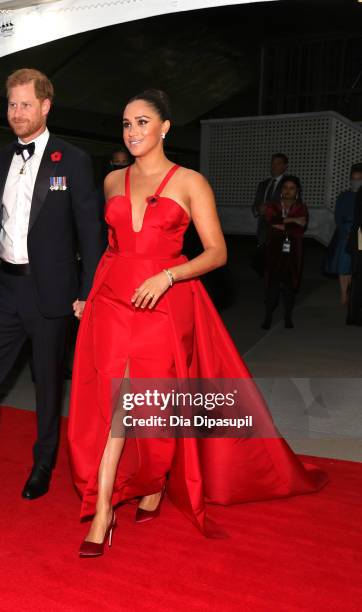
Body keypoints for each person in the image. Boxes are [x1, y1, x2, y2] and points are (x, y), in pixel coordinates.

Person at [67, 90, 327, 557]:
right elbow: (110, 247)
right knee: (113, 406)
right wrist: (90, 294)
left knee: (147, 404)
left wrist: (167, 275)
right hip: (112, 302)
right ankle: (103, 510)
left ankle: (151, 485)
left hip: (163, 305)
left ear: (165, 127)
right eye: (126, 124)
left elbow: (217, 253)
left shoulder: (190, 182)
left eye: (142, 122)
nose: (132, 132)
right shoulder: (110, 181)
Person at [0, 68, 105, 506]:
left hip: (52, 292)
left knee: (48, 384)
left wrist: (87, 291)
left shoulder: (73, 161)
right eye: (11, 104)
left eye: (26, 104)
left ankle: (43, 465)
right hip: (4, 288)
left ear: (46, 106)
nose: (17, 113)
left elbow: (91, 234)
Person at [261, 176, 308, 330]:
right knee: (272, 285)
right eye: (285, 187)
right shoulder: (272, 205)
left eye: (292, 188)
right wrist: (293, 220)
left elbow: (300, 229)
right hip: (274, 251)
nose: (288, 191)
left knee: (289, 286)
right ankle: (268, 316)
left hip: (293, 252)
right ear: (281, 190)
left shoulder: (301, 207)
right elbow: (271, 221)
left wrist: (283, 223)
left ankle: (288, 316)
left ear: (297, 191)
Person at [325, 164, 362, 305]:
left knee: (356, 264)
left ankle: (353, 294)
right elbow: (338, 216)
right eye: (353, 179)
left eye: (359, 179)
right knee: (343, 265)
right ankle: (343, 294)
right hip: (344, 232)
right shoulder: (344, 195)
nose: (355, 181)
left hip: (359, 233)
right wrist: (344, 232)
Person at [251, 154, 289, 275]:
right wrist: (258, 209)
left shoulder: (290, 184)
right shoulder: (263, 184)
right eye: (272, 163)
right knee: (265, 263)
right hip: (263, 231)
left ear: (285, 166)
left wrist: (270, 208)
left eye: (277, 163)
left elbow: (292, 206)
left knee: (281, 262)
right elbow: (255, 205)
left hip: (281, 230)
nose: (273, 166)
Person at [347, 182, 362, 325]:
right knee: (358, 279)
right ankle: (354, 315)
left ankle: (353, 315)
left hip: (359, 242)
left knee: (358, 279)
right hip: (360, 242)